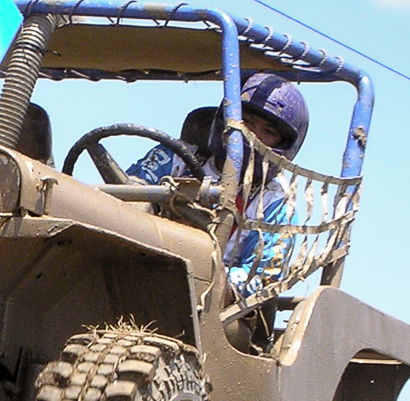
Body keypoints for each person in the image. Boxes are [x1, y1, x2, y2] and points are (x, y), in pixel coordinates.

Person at [127, 72, 309, 293]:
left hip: (206, 299)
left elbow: (261, 278)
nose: (251, 135)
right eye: (247, 121)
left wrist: (211, 275)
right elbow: (126, 195)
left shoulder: (275, 204)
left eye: (268, 132)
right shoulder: (175, 157)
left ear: (283, 145)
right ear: (227, 119)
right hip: (138, 262)